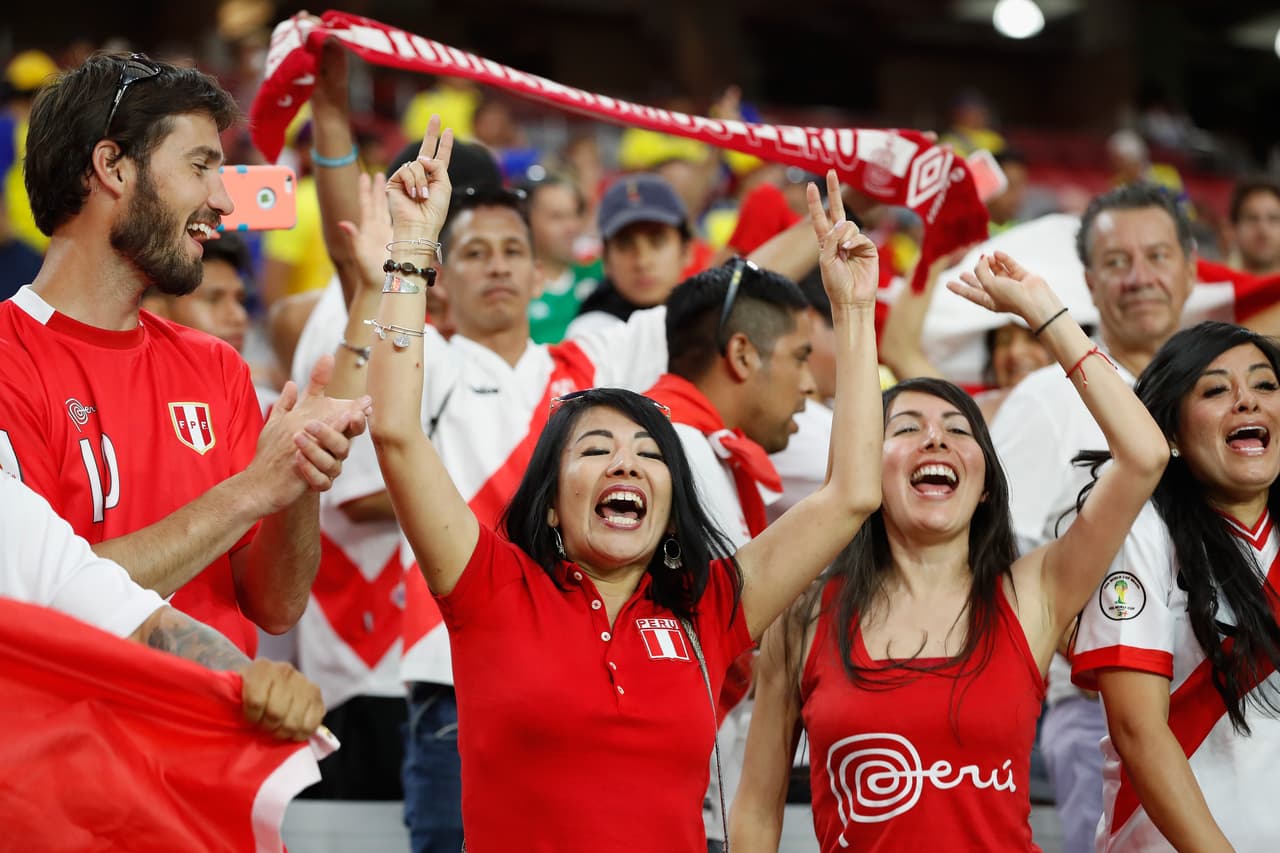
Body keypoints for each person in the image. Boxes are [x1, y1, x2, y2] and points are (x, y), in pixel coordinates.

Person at [367, 118, 882, 849]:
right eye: (597, 448)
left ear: (671, 499)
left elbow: (852, 494)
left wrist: (854, 310)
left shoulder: (707, 607)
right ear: (548, 499)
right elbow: (395, 431)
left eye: (648, 451)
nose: (627, 463)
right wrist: (413, 248)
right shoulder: (489, 587)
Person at [729, 251, 1168, 852]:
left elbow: (1144, 456)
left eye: (959, 431)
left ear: (985, 482)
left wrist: (1045, 313)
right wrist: (853, 309)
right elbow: (754, 812)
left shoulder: (1033, 594)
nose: (935, 436)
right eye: (905, 428)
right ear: (868, 472)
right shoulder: (803, 614)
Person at [0, 52, 365, 655]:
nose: (223, 202)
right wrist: (250, 489)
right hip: (80, 745)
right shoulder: (11, 361)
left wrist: (298, 475)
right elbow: (45, 598)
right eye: (200, 167)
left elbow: (276, 606)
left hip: (220, 743)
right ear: (112, 167)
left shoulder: (216, 366)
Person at [990, 182, 1197, 853]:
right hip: (1098, 715)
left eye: (1158, 255)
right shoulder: (1043, 400)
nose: (1141, 277)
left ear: (1190, 267)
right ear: (1087, 279)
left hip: (1236, 705)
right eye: (1117, 262)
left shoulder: (1226, 387)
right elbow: (1002, 566)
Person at [1072, 321, 1280, 851]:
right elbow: (1137, 728)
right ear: (1170, 435)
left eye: (1266, 385)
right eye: (1216, 390)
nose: (1247, 402)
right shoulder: (1142, 532)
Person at [646, 258, 816, 849]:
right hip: (668, 800)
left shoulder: (688, 445)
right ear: (743, 355)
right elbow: (720, 643)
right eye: (800, 357)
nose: (810, 383)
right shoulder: (676, 454)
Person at [2, 471, 324, 741]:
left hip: (156, 744)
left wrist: (251, 679)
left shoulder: (9, 504)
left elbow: (140, 623)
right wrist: (254, 490)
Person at [878, 249, 1052, 422]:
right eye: (1004, 341)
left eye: (1034, 338)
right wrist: (937, 248)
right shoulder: (975, 415)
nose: (1015, 351)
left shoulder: (1075, 404)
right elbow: (899, 352)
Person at [567, 172, 695, 337]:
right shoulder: (591, 335)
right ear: (606, 259)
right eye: (625, 245)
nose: (643, 261)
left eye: (657, 242)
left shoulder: (707, 322)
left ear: (686, 250)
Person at [520, 173, 603, 344]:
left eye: (574, 215)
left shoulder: (601, 274)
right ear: (527, 222)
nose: (572, 227)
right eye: (557, 217)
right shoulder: (515, 290)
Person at [1229, 176, 1280, 277]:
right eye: (1252, 219)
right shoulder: (1214, 289)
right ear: (1234, 229)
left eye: (1273, 219)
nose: (1263, 230)